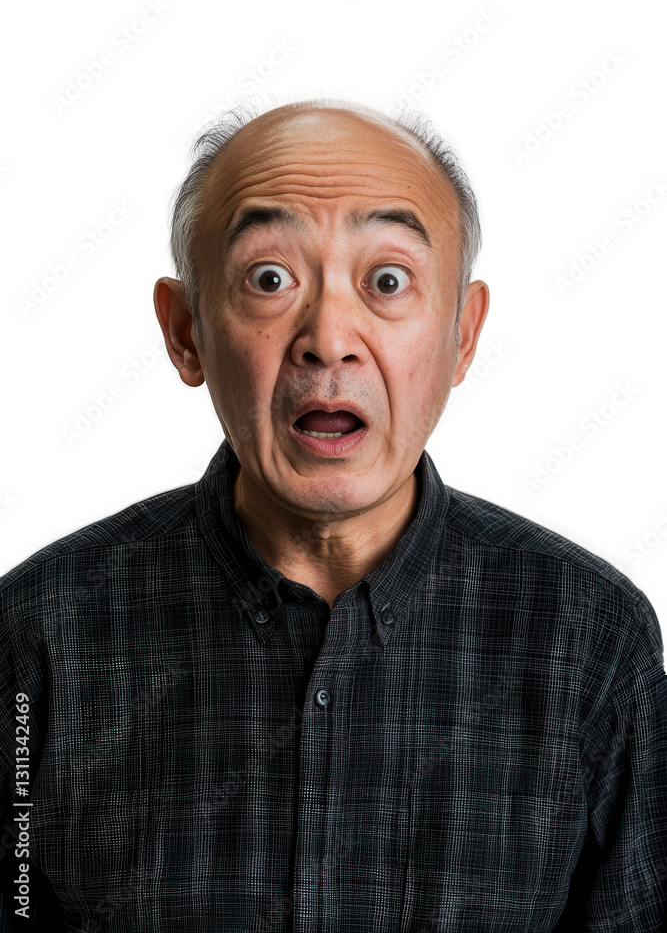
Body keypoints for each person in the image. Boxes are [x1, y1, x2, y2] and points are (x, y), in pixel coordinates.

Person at [1, 96, 665, 931]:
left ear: (462, 335)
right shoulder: (40, 634)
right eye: (269, 278)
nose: (328, 338)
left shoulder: (590, 639)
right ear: (185, 333)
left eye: (387, 281)